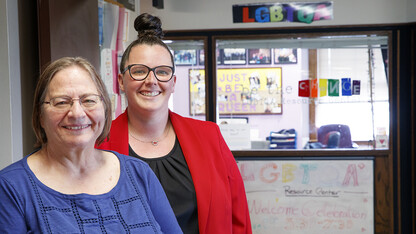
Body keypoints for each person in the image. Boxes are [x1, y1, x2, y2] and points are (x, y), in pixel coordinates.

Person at [97, 13, 252, 233]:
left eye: (162, 72)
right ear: (121, 81)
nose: (151, 81)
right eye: (139, 71)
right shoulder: (99, 144)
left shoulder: (209, 136)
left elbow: (239, 217)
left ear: (173, 82)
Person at [0, 57, 182, 233]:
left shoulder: (140, 174)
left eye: (89, 100)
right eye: (61, 102)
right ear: (40, 115)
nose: (77, 113)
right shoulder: (11, 188)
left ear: (104, 108)